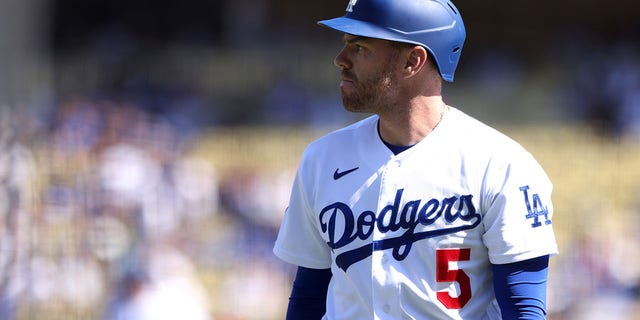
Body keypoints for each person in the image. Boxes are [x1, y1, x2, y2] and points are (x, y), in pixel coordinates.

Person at [272, 0, 558, 319]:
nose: (340, 60)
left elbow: (523, 309)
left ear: (412, 60)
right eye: (344, 45)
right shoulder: (321, 159)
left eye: (360, 47)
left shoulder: (500, 163)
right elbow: (309, 297)